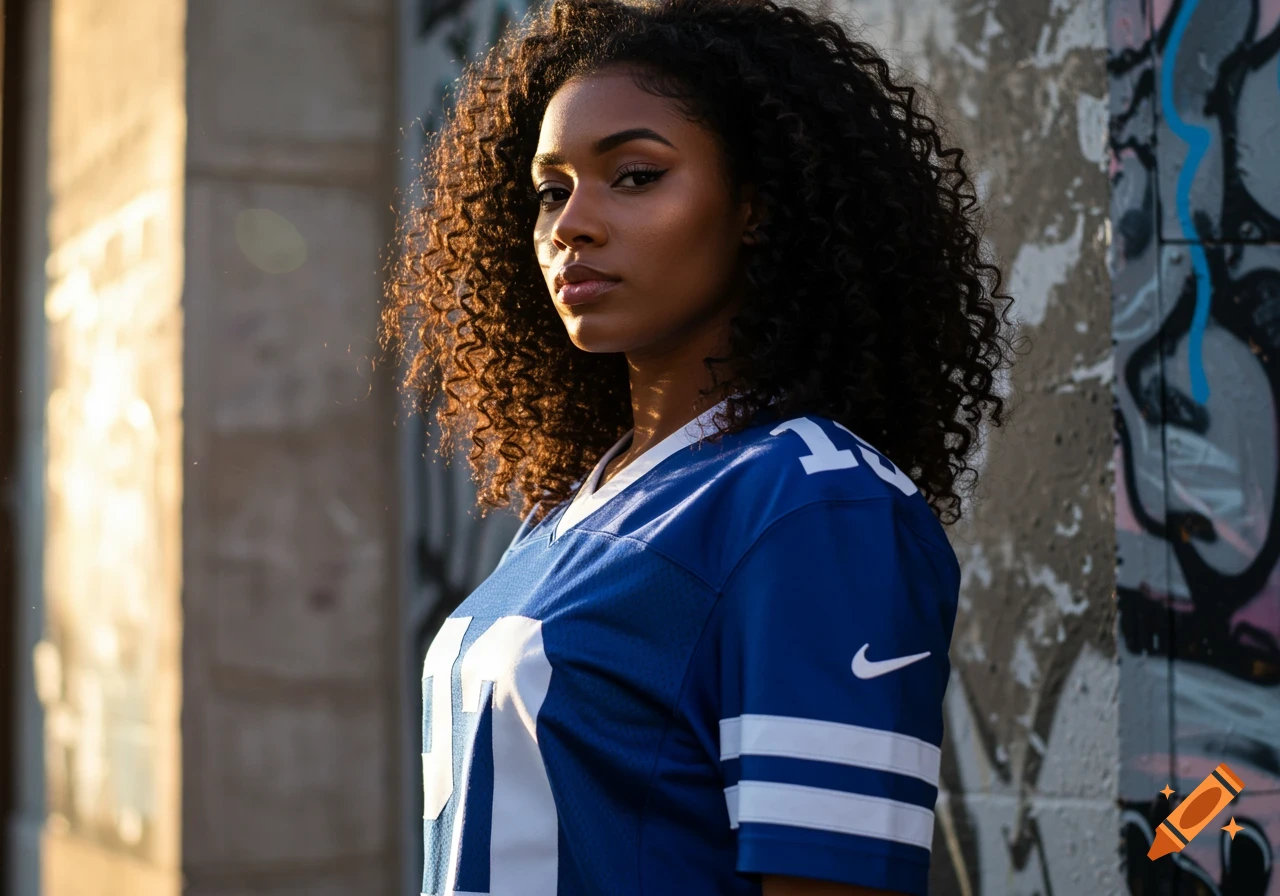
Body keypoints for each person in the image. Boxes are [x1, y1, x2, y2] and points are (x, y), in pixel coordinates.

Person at [381, 0, 1022, 893]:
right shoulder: (574, 503)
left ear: (757, 207)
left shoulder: (817, 507)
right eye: (552, 190)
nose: (572, 225)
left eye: (636, 176)